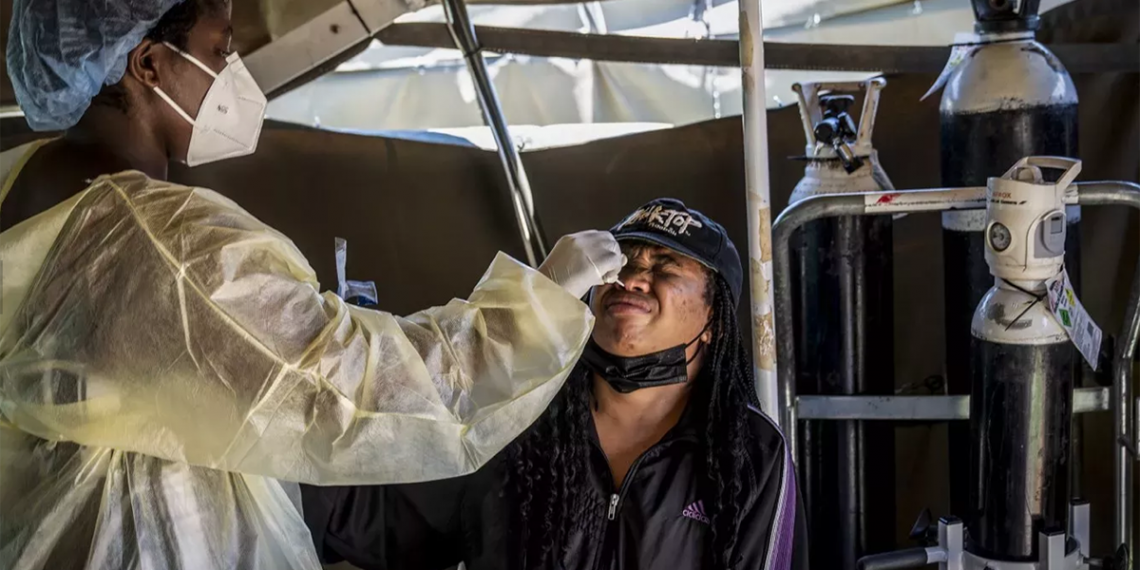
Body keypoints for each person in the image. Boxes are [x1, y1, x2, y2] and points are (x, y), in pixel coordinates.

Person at [0, 1, 625, 568]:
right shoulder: (167, 243)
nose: (233, 72)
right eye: (220, 50)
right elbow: (350, 390)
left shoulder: (20, 185)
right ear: (149, 64)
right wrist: (534, 309)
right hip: (145, 539)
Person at [303, 198, 810, 570]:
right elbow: (388, 524)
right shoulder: (521, 414)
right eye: (623, 263)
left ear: (715, 320)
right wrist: (312, 402)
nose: (632, 277)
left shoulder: (750, 452)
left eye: (664, 266)